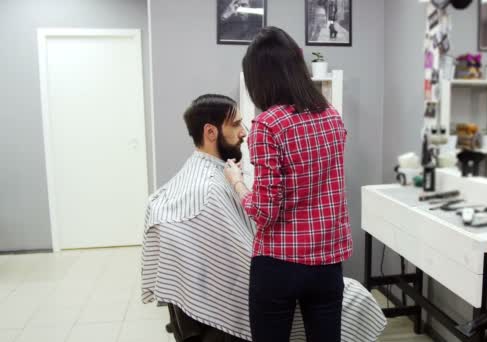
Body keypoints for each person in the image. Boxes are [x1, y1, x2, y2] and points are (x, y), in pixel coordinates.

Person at [141, 94, 386, 342]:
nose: (244, 132)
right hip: (272, 280)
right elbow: (243, 255)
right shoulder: (207, 188)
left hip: (279, 270)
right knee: (355, 297)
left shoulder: (213, 173)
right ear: (210, 132)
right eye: (236, 124)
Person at [224, 27, 353, 342]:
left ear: (260, 78)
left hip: (279, 265)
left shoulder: (268, 124)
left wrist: (238, 183)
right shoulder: (332, 117)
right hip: (326, 264)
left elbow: (265, 212)